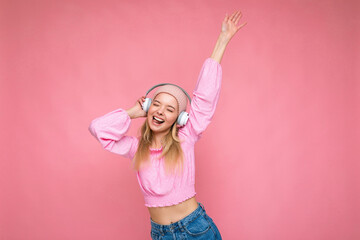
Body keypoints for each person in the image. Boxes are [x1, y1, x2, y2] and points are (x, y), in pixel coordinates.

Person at [88, 10, 246, 240]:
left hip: (195, 230)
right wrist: (133, 112)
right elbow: (98, 128)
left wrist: (222, 40)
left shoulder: (186, 137)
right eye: (157, 105)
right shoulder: (136, 148)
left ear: (179, 119)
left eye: (170, 109)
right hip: (160, 233)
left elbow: (204, 98)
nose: (161, 111)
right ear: (148, 108)